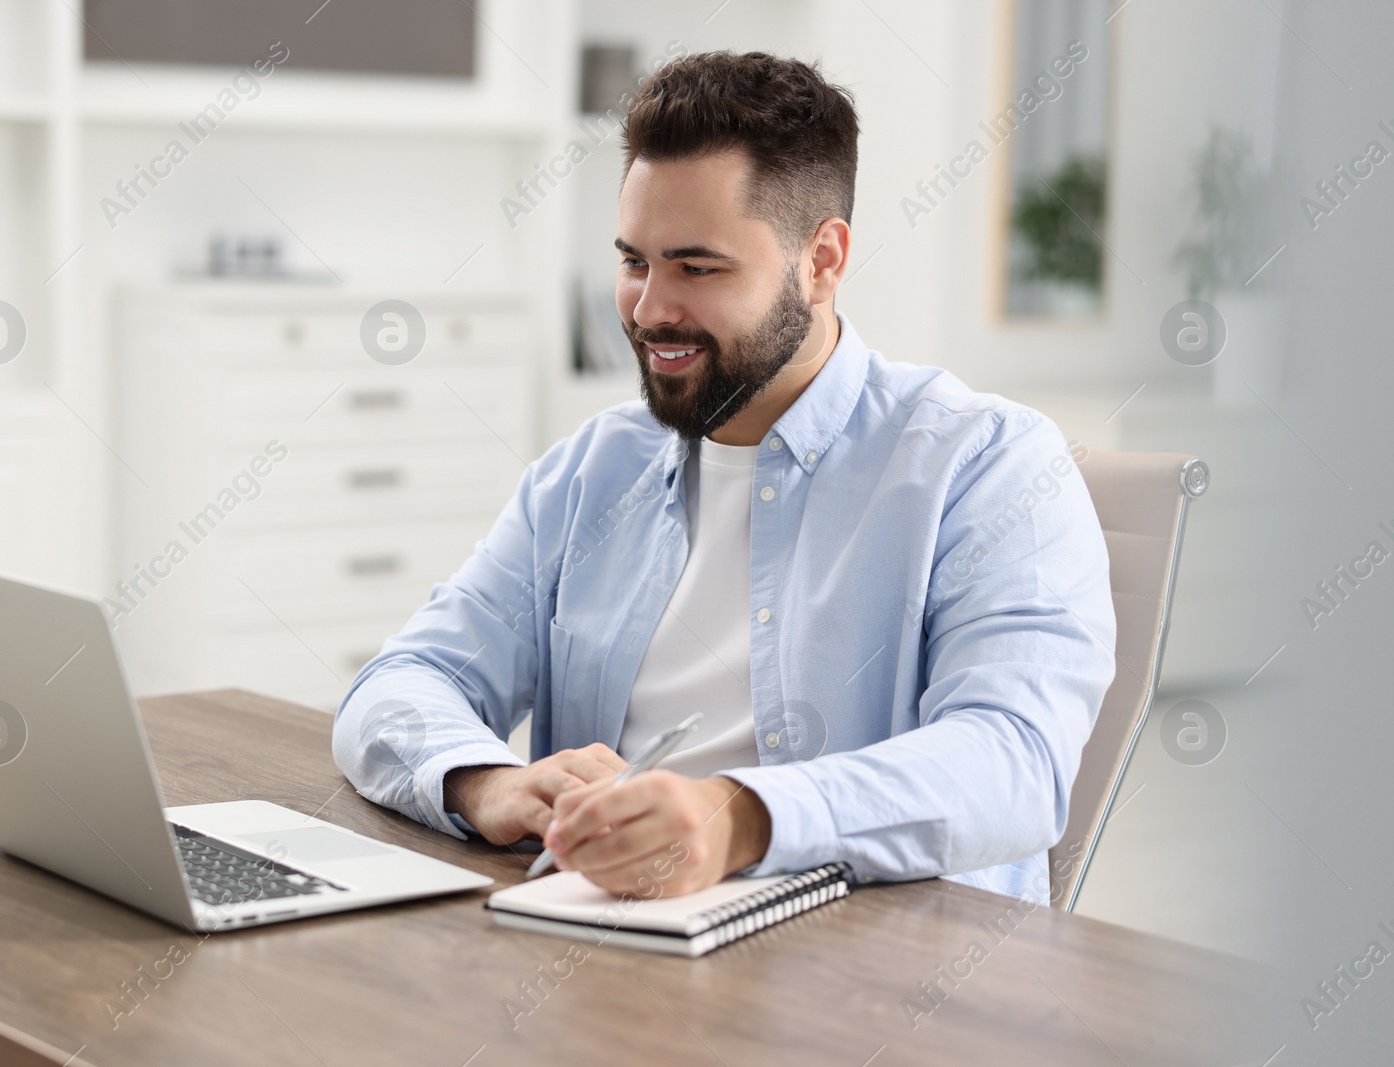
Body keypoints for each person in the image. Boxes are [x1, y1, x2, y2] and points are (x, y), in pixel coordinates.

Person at [334, 50, 1115, 904]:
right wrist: (484, 780)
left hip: (884, 989)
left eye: (696, 268)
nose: (649, 308)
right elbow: (402, 682)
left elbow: (1015, 762)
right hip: (609, 949)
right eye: (636, 261)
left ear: (821, 261)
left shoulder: (989, 466)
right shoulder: (591, 473)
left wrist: (739, 818)